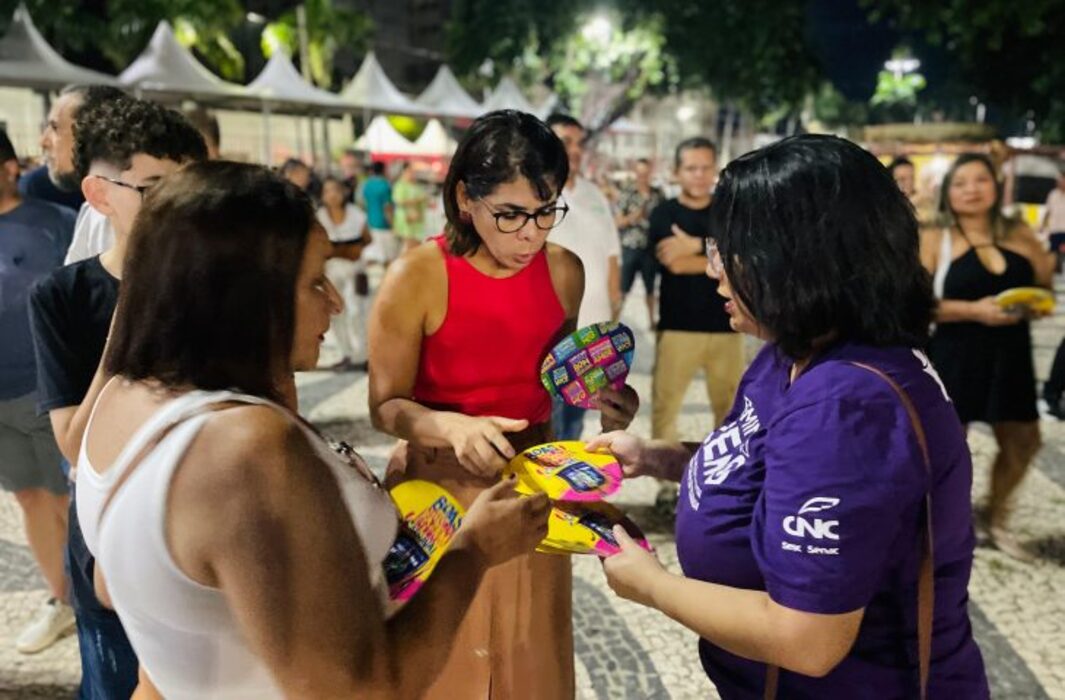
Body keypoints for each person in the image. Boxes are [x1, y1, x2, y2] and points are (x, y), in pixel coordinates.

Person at [67, 160, 549, 699]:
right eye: (316, 281)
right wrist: (473, 551)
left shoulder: (120, 399)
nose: (336, 301)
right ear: (250, 296)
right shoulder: (245, 449)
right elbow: (362, 691)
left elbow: (116, 589)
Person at [591, 134, 990, 699]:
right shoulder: (795, 348)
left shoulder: (848, 406)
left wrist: (651, 585)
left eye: (732, 252)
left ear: (802, 261)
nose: (715, 272)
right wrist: (659, 458)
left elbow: (808, 639)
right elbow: (771, 461)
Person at [369, 109, 636, 699]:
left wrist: (609, 398)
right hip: (435, 491)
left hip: (531, 486)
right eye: (510, 214)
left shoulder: (565, 270)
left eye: (546, 212)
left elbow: (557, 374)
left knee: (529, 650)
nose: (530, 235)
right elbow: (385, 405)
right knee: (447, 657)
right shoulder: (416, 275)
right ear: (466, 198)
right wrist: (449, 426)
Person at [29, 95, 208, 698]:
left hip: (211, 534)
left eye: (192, 190)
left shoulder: (223, 287)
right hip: (110, 548)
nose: (181, 211)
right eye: (155, 190)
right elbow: (77, 448)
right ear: (99, 194)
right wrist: (133, 314)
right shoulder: (63, 298)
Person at [921, 153, 1055, 562]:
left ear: (996, 187)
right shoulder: (932, 235)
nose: (972, 189)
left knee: (1023, 439)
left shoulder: (1017, 231)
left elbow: (1045, 284)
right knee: (946, 445)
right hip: (954, 348)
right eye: (961, 183)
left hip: (1009, 351)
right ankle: (943, 525)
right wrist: (975, 311)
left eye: (981, 180)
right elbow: (918, 304)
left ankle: (995, 516)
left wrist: (1034, 303)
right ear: (948, 192)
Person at [0, 129, 77, 654]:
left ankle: (96, 599)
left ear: (8, 167)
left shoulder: (55, 223)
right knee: (29, 496)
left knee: (71, 500)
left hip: (50, 389)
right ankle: (61, 600)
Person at [650, 137, 742, 439]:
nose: (699, 175)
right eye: (691, 168)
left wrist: (694, 247)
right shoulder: (664, 212)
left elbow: (741, 262)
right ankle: (664, 483)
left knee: (731, 411)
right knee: (666, 407)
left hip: (728, 326)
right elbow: (674, 263)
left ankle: (726, 480)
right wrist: (719, 255)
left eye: (705, 168)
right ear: (677, 172)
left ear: (715, 169)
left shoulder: (729, 213)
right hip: (679, 327)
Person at [545, 113, 623, 440]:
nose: (574, 150)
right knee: (547, 422)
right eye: (565, 142)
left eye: (578, 143)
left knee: (575, 424)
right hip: (552, 334)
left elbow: (611, 253)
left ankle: (566, 492)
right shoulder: (539, 196)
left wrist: (614, 312)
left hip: (593, 335)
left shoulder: (594, 194)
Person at [18, 85, 124, 212]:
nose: (42, 142)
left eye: (55, 127)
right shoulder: (91, 213)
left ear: (95, 133)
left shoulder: (144, 212)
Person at [317, 175, 373, 372]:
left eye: (335, 190)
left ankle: (364, 355)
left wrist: (351, 249)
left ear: (344, 193)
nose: (332, 195)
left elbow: (368, 238)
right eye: (327, 191)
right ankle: (346, 353)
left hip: (355, 267)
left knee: (358, 311)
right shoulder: (320, 216)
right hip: (331, 269)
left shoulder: (357, 215)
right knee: (336, 312)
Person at [614, 158, 663, 329]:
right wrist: (634, 217)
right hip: (631, 247)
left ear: (650, 173)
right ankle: (612, 323)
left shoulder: (658, 194)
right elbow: (618, 222)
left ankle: (652, 322)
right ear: (635, 173)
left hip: (650, 248)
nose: (643, 176)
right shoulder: (627, 193)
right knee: (623, 289)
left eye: (646, 173)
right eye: (640, 173)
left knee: (651, 289)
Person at [360, 160, 397, 264]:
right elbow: (387, 208)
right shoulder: (385, 186)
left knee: (376, 257)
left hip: (371, 223)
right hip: (384, 225)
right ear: (384, 170)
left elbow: (362, 204)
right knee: (389, 259)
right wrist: (393, 225)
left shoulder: (367, 185)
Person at [393, 161, 429, 252]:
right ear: (404, 171)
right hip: (406, 221)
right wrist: (418, 200)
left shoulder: (416, 185)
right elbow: (399, 201)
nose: (413, 173)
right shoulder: (400, 185)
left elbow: (424, 200)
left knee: (415, 248)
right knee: (410, 248)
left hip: (417, 222)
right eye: (410, 171)